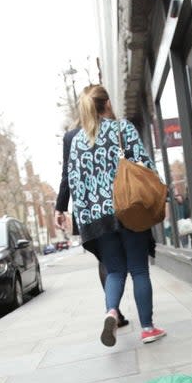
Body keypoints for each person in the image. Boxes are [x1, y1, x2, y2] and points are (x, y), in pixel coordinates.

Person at [62, 85, 166, 347]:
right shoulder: (122, 129)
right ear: (106, 104)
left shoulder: (77, 142)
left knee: (116, 271)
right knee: (139, 270)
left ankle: (111, 312)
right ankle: (148, 328)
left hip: (96, 219)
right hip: (127, 208)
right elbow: (145, 166)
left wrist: (84, 222)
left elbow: (74, 183)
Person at [55, 104, 128, 328]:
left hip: (87, 210)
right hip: (120, 202)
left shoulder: (71, 137)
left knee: (106, 261)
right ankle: (142, 320)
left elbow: (67, 175)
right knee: (129, 262)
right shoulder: (113, 128)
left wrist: (60, 207)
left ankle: (113, 311)